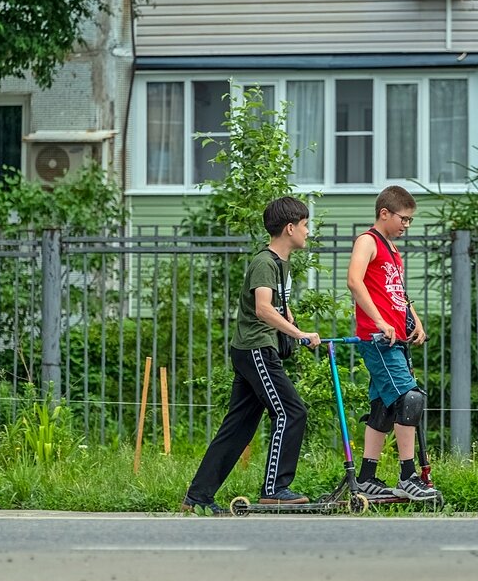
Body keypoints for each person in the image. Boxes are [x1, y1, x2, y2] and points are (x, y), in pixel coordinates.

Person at [181, 196, 321, 515]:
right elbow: (262, 308)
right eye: (305, 225)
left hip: (254, 349)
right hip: (255, 348)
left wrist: (291, 323)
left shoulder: (280, 264)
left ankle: (197, 496)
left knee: (239, 426)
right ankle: (275, 489)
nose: (308, 231)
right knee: (291, 411)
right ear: (290, 228)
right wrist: (297, 334)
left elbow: (276, 305)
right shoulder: (264, 262)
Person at [346, 185, 441, 502]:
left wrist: (414, 318)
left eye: (410, 220)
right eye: (404, 218)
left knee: (384, 407)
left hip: (396, 338)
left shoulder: (392, 250)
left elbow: (396, 293)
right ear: (384, 213)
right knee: (410, 399)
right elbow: (354, 281)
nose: (407, 225)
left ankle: (367, 478)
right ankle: (408, 475)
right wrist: (380, 322)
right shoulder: (367, 241)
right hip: (378, 340)